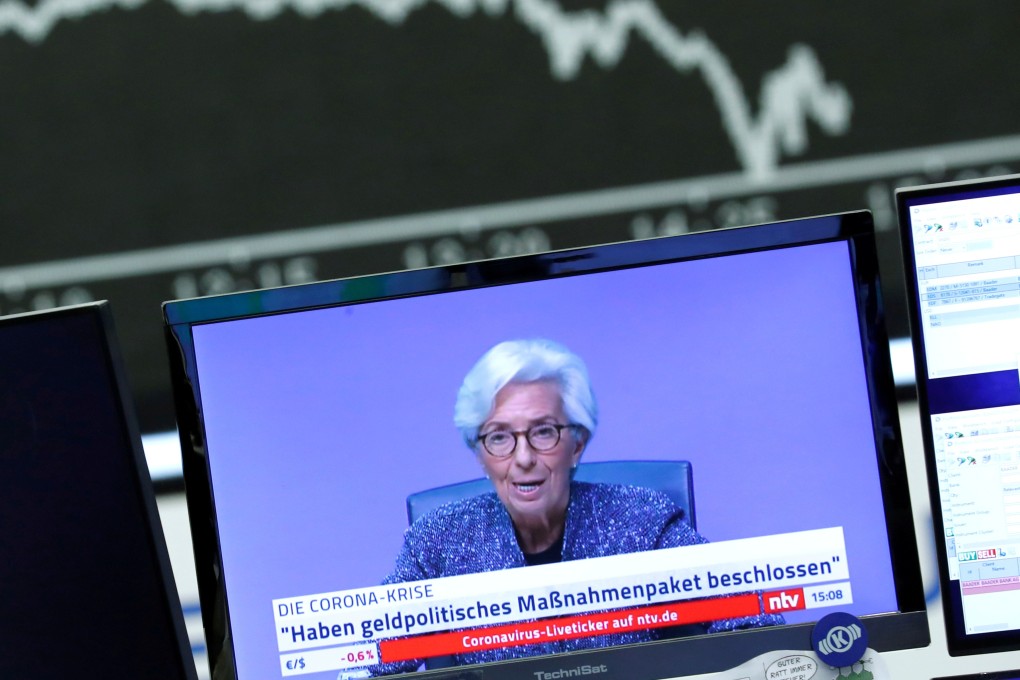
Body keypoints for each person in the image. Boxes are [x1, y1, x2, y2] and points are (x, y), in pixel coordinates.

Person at [374, 338, 782, 673]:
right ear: (480, 455)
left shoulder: (641, 522)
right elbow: (372, 662)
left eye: (544, 432)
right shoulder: (438, 542)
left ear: (577, 444)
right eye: (499, 437)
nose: (523, 458)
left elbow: (756, 623)